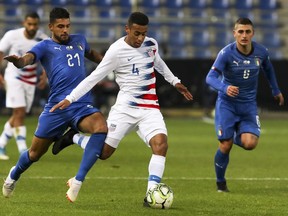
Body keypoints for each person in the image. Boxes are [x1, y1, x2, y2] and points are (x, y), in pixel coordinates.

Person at [50, 12, 193, 205]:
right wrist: (70, 98)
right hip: (125, 109)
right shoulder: (116, 50)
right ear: (127, 29)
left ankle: (151, 194)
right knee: (104, 153)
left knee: (161, 145)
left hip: (150, 108)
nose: (140, 38)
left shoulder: (151, 44)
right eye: (136, 33)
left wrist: (175, 81)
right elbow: (94, 77)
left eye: (143, 33)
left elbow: (158, 63)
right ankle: (73, 137)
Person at [2, 7, 107, 203]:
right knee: (34, 154)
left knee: (101, 127)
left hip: (81, 104)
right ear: (51, 27)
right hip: (56, 109)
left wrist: (113, 61)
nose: (65, 30)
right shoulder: (44, 46)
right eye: (60, 26)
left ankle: (77, 180)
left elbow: (93, 55)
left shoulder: (80, 40)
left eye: (67, 26)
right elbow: (28, 58)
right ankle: (13, 175)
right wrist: (19, 62)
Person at [206, 18, 284, 192]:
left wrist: (276, 90)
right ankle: (220, 182)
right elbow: (209, 78)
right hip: (227, 104)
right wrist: (225, 87)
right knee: (225, 145)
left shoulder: (261, 52)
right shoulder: (226, 53)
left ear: (253, 33)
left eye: (247, 31)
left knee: (249, 144)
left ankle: (230, 134)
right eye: (240, 32)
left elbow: (269, 69)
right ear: (234, 34)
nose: (244, 35)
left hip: (248, 105)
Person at [0, 12, 48, 160]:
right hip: (13, 77)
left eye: (35, 24)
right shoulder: (12, 35)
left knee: (18, 115)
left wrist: (44, 75)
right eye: (29, 24)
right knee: (19, 112)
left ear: (38, 25)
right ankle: (23, 150)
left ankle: (1, 145)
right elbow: (0, 52)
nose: (32, 27)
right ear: (24, 23)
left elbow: (49, 56)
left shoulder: (42, 38)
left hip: (30, 79)